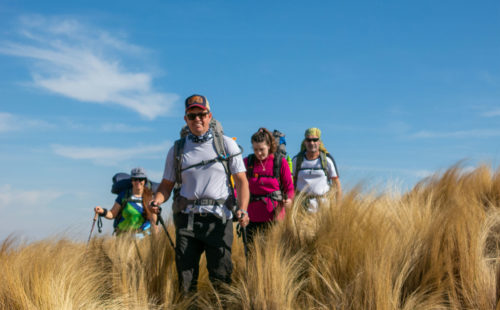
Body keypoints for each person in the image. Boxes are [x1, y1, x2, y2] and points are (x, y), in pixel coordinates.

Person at [150, 94, 249, 294]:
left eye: (201, 114)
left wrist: (243, 210)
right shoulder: (177, 149)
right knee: (186, 282)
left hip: (219, 221)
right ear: (185, 118)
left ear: (209, 116)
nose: (197, 119)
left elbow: (241, 181)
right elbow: (167, 185)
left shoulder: (227, 144)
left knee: (221, 278)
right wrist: (157, 200)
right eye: (192, 115)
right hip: (187, 221)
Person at [244, 128, 294, 245]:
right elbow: (239, 187)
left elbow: (289, 187)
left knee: (272, 253)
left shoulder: (280, 162)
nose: (258, 153)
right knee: (252, 256)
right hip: (251, 218)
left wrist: (290, 200)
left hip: (274, 218)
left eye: (262, 149)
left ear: (269, 146)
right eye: (255, 149)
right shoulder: (247, 162)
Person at [94, 167, 156, 236]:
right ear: (131, 181)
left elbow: (153, 221)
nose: (138, 182)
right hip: (124, 237)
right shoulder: (123, 195)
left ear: (145, 181)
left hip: (144, 238)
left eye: (141, 179)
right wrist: (103, 211)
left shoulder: (150, 198)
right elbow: (112, 214)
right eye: (135, 179)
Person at [292, 127, 342, 212]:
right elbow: (292, 183)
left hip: (323, 207)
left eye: (315, 140)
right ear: (305, 142)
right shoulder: (297, 160)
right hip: (301, 207)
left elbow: (336, 185)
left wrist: (338, 207)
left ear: (319, 142)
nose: (312, 143)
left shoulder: (327, 160)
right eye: (308, 140)